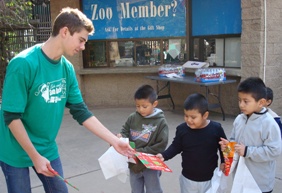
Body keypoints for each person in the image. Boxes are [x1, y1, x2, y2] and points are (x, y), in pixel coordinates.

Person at [0, 7, 134, 193]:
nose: (83, 47)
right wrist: (34, 156)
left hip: (46, 146)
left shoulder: (67, 69)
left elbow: (81, 112)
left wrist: (114, 141)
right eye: (81, 40)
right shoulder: (23, 64)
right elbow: (11, 117)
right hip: (14, 149)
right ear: (64, 32)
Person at [219, 77, 282, 193]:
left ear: (261, 102)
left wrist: (248, 151)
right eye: (239, 100)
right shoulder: (239, 119)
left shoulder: (269, 123)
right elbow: (234, 142)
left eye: (246, 101)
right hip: (240, 179)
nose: (241, 105)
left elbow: (274, 151)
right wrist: (228, 148)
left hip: (260, 183)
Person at [157, 93, 227, 193]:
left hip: (210, 179)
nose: (189, 120)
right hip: (188, 179)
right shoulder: (182, 129)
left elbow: (224, 147)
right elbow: (176, 146)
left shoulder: (216, 129)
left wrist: (224, 161)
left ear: (205, 115)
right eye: (186, 116)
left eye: (193, 117)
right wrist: (164, 155)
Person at [117, 84, 169, 193]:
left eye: (144, 106)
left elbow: (161, 144)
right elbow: (125, 130)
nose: (141, 109)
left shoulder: (160, 122)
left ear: (154, 104)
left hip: (150, 166)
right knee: (135, 190)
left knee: (153, 190)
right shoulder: (133, 118)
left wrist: (139, 152)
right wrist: (121, 137)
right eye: (137, 106)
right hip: (133, 164)